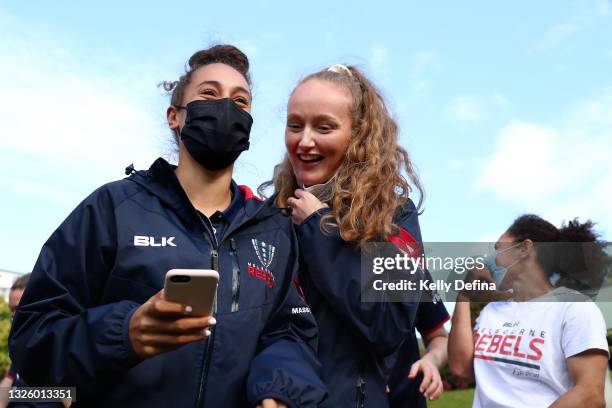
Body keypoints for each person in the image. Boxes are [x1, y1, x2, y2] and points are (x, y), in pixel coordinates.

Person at [9, 45, 326, 408]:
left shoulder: (273, 230)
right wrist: (122, 333)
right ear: (174, 116)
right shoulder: (112, 208)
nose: (226, 108)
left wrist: (278, 391)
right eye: (209, 93)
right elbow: (32, 335)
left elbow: (288, 333)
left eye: (240, 102)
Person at [263, 63, 444, 407]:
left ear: (358, 134)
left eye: (324, 127)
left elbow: (387, 327)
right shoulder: (273, 215)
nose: (304, 141)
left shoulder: (392, 215)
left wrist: (319, 228)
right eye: (294, 125)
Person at [448, 214, 609, 408]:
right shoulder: (491, 311)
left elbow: (590, 395)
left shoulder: (574, 308)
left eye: (498, 248)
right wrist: (464, 295)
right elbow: (460, 369)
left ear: (524, 249)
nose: (492, 259)